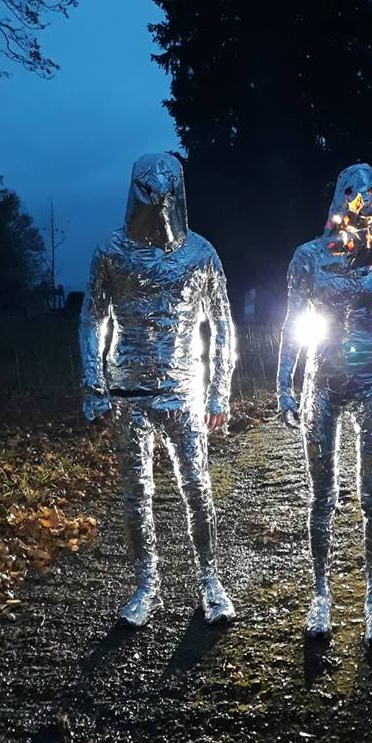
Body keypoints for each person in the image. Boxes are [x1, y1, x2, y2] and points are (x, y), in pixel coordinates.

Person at [79, 152, 236, 626]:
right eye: (148, 191)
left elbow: (222, 324)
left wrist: (218, 391)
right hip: (129, 392)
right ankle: (147, 584)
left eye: (165, 191)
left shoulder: (200, 254)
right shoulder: (111, 252)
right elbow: (91, 317)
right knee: (136, 493)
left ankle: (210, 580)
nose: (157, 201)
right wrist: (93, 383)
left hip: (183, 391)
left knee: (197, 486)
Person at [277, 162, 372, 647]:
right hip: (322, 380)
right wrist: (284, 384)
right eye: (356, 193)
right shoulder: (308, 257)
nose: (366, 201)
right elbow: (293, 323)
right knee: (322, 494)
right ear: (340, 197)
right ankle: (320, 593)